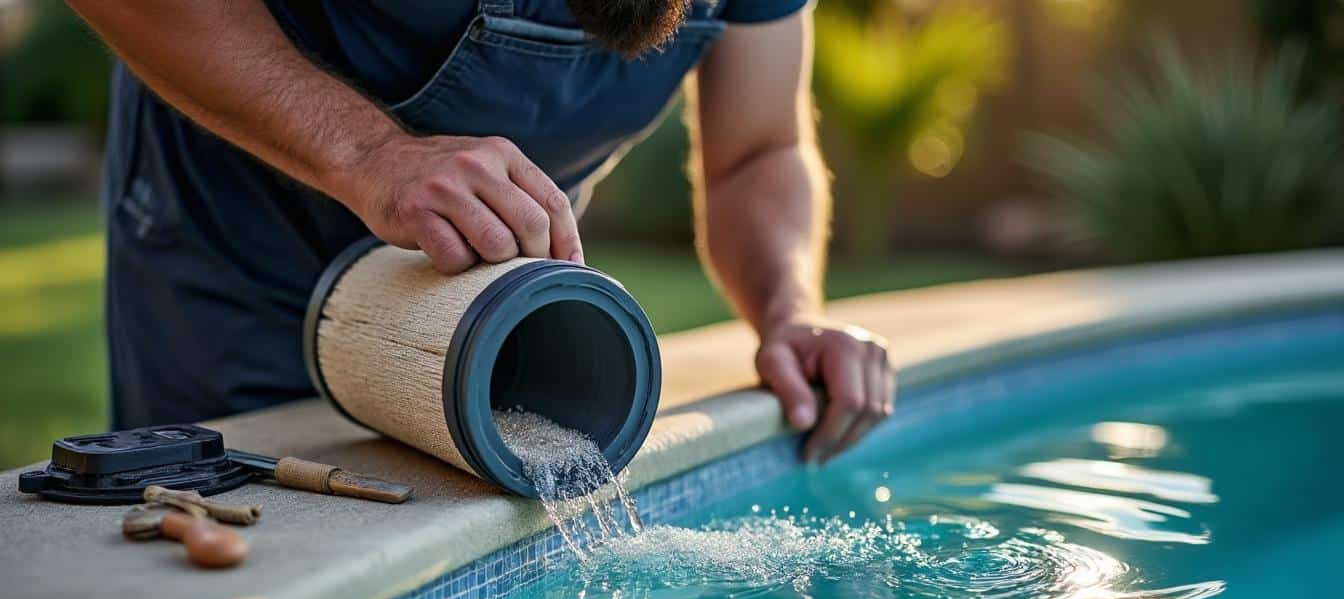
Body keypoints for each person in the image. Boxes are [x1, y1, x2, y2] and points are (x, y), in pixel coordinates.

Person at [69, 0, 893, 464]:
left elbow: (757, 154)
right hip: (242, 258)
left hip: (490, 318)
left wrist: (788, 312)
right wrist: (367, 155)